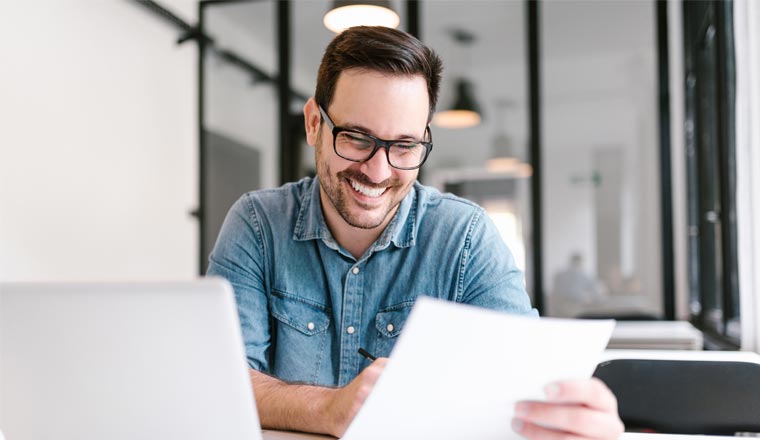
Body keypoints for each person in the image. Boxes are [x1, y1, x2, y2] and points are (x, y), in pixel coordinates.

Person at [207, 26, 623, 439]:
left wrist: (572, 417)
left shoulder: (466, 239)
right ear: (315, 123)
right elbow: (220, 382)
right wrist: (327, 408)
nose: (379, 171)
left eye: (404, 146)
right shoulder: (258, 225)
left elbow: (525, 389)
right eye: (356, 138)